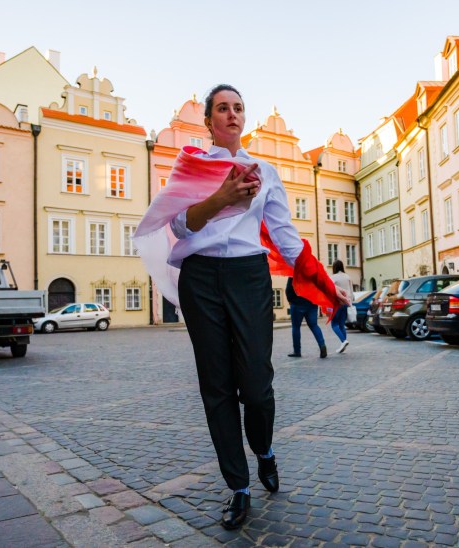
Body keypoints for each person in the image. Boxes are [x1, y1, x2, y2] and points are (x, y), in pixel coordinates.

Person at [136, 84, 348, 530]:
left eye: (238, 108)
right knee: (217, 387)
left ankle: (265, 451)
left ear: (242, 118)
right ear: (209, 121)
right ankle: (238, 487)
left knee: (255, 383)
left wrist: (327, 286)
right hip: (200, 278)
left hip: (249, 275)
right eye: (222, 109)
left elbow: (286, 237)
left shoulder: (265, 170)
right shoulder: (192, 164)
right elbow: (179, 225)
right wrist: (222, 198)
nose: (231, 115)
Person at [286, 277, 327, 358]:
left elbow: (289, 289)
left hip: (297, 303)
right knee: (314, 325)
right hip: (311, 303)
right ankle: (322, 345)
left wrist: (291, 300)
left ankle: (297, 351)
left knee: (296, 327)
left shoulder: (294, 272)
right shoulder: (312, 273)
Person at [330, 260, 354, 353]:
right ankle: (343, 344)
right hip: (346, 303)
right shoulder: (347, 277)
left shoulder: (332, 278)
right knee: (341, 324)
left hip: (337, 303)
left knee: (334, 324)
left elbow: (331, 291)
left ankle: (343, 341)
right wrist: (350, 302)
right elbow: (351, 292)